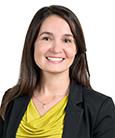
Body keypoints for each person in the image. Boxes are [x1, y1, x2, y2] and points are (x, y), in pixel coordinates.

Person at [0, 5, 115, 138]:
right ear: (32, 44)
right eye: (46, 38)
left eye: (66, 40)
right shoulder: (12, 99)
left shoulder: (100, 107)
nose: (56, 49)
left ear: (77, 49)